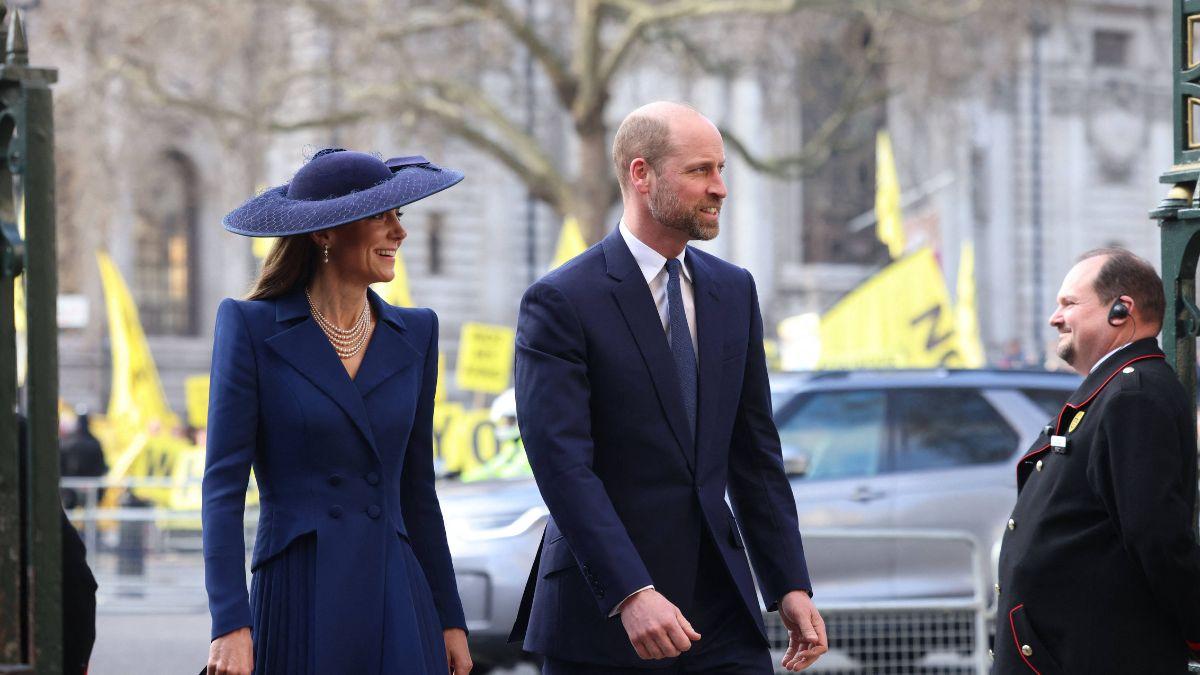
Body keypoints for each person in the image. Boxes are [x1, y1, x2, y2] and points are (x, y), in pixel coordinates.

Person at [510, 102, 826, 674]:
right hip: (604, 619)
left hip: (721, 610)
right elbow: (562, 466)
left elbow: (754, 452)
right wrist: (630, 592)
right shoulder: (561, 301)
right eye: (700, 170)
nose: (720, 187)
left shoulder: (734, 291)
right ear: (642, 174)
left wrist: (789, 583)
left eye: (721, 169)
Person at [203, 149, 472, 675]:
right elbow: (222, 489)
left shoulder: (418, 332)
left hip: (397, 591)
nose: (400, 232)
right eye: (381, 216)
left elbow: (417, 490)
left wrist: (449, 618)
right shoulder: (250, 327)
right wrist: (229, 622)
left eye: (399, 215)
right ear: (325, 233)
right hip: (298, 589)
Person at [993, 248, 1200, 673]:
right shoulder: (1115, 389)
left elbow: (1156, 537)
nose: (1055, 318)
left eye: (1069, 303)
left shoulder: (1133, 395)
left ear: (1121, 309)